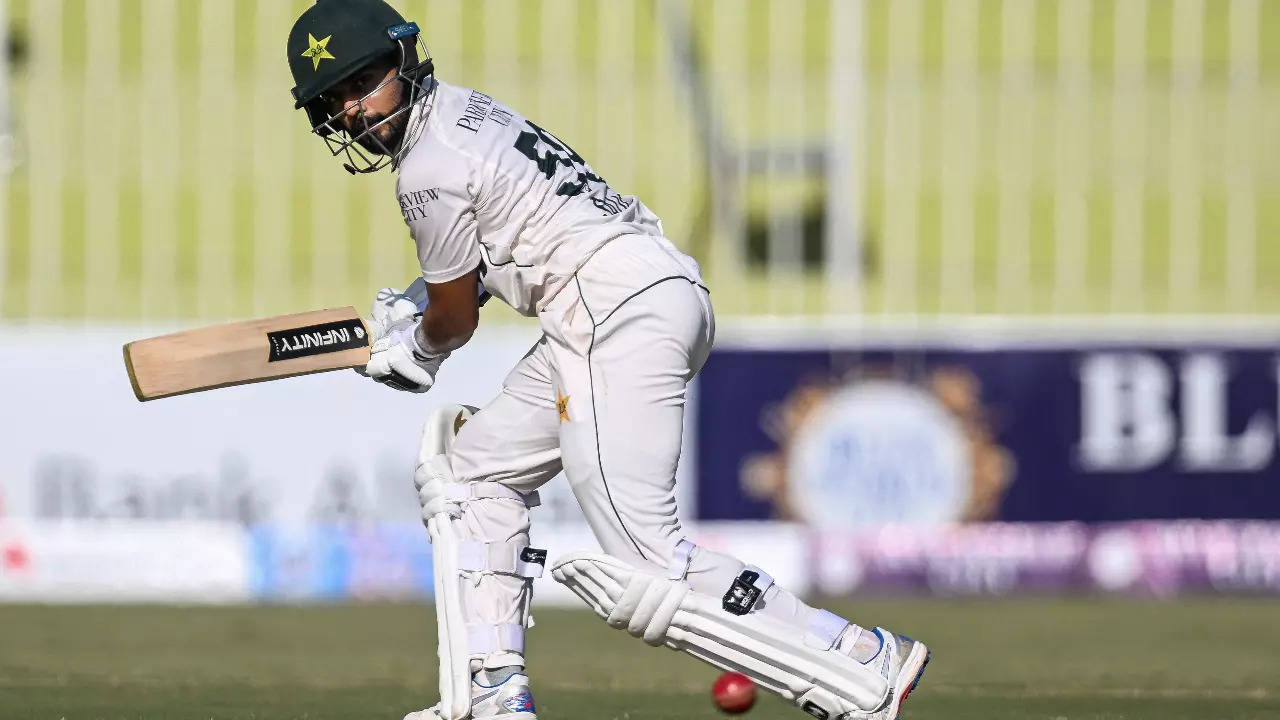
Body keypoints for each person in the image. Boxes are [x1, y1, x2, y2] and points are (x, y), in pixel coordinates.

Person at [286, 2, 929, 719]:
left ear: (404, 61)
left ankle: (858, 663)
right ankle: (494, 696)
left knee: (643, 569)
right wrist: (412, 311)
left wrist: (416, 347)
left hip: (607, 307)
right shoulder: (467, 113)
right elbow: (496, 248)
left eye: (363, 81)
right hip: (635, 292)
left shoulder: (425, 172)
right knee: (470, 474)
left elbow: (456, 316)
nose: (353, 109)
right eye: (333, 100)